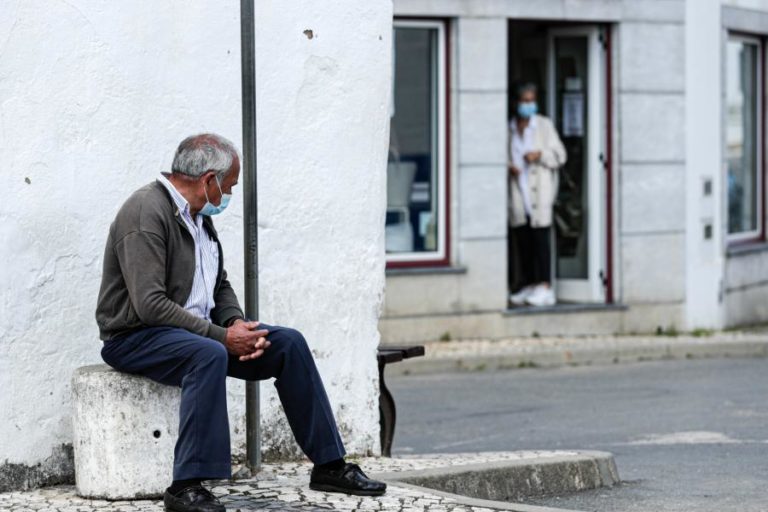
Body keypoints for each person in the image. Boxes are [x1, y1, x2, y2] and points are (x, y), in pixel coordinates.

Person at [95, 134, 386, 512]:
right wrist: (221, 336)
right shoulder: (145, 212)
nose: (229, 192)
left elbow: (219, 284)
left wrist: (236, 324)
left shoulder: (198, 217)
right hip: (135, 337)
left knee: (288, 344)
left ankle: (330, 465)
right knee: (209, 354)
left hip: (194, 334)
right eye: (229, 185)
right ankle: (185, 487)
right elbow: (149, 305)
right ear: (208, 180)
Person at [507, 83, 567, 307]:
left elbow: (560, 155)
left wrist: (539, 154)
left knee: (541, 239)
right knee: (523, 241)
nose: (528, 105)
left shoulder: (543, 125)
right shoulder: (510, 128)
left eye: (531, 101)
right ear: (517, 103)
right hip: (518, 191)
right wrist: (509, 166)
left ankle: (544, 286)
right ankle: (529, 284)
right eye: (524, 101)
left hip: (539, 193)